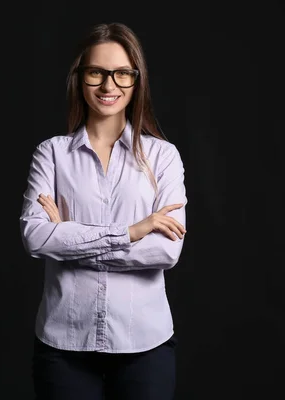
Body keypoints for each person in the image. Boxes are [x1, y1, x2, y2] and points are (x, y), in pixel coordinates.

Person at [19, 22, 188, 400]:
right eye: (97, 72)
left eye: (122, 73)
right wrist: (131, 232)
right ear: (80, 78)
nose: (109, 86)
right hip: (64, 345)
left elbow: (165, 251)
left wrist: (69, 238)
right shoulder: (52, 154)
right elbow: (35, 237)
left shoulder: (162, 157)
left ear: (136, 79)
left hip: (145, 344)